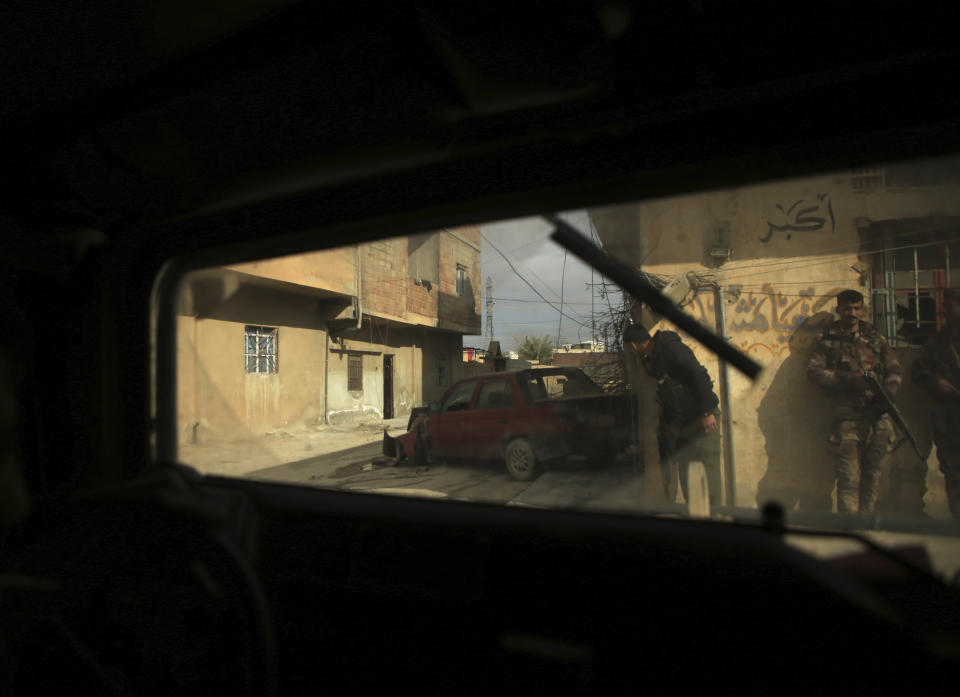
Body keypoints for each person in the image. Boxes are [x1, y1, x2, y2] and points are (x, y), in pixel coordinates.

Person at [806, 289, 901, 515]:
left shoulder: (876, 338)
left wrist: (888, 391)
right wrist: (846, 379)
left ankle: (866, 525)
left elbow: (894, 369)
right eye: (848, 308)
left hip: (878, 414)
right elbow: (813, 372)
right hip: (847, 417)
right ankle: (850, 527)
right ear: (838, 309)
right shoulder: (826, 339)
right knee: (849, 477)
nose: (853, 313)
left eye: (857, 308)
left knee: (873, 475)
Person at [623, 323, 721, 506]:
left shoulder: (672, 349)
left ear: (634, 345)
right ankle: (695, 512)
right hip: (684, 420)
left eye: (630, 348)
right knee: (685, 464)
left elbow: (699, 376)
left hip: (703, 416)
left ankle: (716, 515)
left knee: (709, 466)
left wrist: (707, 412)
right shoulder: (652, 358)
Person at [912, 287, 960, 519]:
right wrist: (935, 382)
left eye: (950, 307)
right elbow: (918, 371)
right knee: (953, 473)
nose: (945, 312)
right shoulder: (940, 341)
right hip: (949, 420)